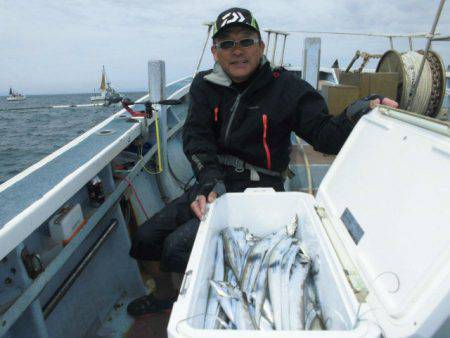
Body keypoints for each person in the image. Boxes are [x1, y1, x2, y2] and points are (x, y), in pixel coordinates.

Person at [127, 7, 398, 317]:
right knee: (145, 239)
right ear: (215, 52)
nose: (237, 50)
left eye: (246, 40)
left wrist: (358, 110)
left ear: (261, 46)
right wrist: (209, 180)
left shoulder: (287, 88)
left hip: (261, 187)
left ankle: (216, 301)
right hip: (213, 180)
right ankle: (165, 296)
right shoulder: (204, 85)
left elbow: (325, 136)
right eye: (227, 44)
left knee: (177, 248)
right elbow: (197, 138)